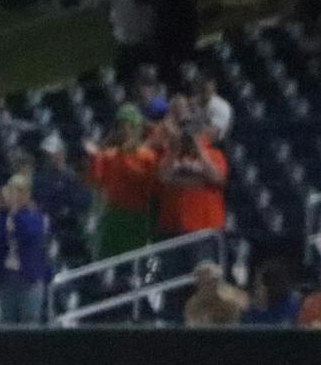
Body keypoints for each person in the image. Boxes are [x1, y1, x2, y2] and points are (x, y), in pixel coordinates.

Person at [85, 103, 158, 257]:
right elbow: (95, 181)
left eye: (129, 127)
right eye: (121, 127)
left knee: (136, 259)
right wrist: (99, 152)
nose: (125, 131)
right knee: (108, 258)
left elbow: (142, 181)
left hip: (138, 217)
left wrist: (124, 154)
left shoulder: (147, 156)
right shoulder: (109, 155)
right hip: (114, 215)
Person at [0, 174, 50, 325]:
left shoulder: (34, 216)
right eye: (11, 192)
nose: (14, 196)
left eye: (18, 192)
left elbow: (27, 235)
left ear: (27, 194)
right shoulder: (3, 216)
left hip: (29, 278)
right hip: (6, 277)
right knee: (5, 322)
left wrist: (9, 215)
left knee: (29, 322)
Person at [156, 117, 227, 237]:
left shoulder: (215, 154)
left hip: (205, 225)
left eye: (194, 133)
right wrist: (175, 149)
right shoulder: (171, 155)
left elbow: (217, 178)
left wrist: (199, 149)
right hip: (173, 225)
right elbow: (163, 177)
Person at [32, 133, 91, 230]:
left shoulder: (73, 177)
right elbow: (38, 198)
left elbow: (82, 201)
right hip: (44, 221)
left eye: (53, 154)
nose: (50, 158)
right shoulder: (39, 177)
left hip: (68, 223)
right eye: (47, 155)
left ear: (63, 154)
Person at [183, 260, 248, 327]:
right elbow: (191, 326)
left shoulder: (231, 302)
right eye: (201, 282)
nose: (206, 286)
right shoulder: (192, 305)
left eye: (210, 282)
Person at [241, 259, 301, 326]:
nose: (256, 292)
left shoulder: (255, 317)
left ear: (269, 289)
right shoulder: (296, 306)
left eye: (258, 286)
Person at [195, 72, 233, 142]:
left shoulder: (222, 107)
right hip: (194, 141)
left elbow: (213, 134)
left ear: (213, 88)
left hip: (213, 146)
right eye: (201, 88)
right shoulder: (195, 101)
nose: (203, 91)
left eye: (206, 88)